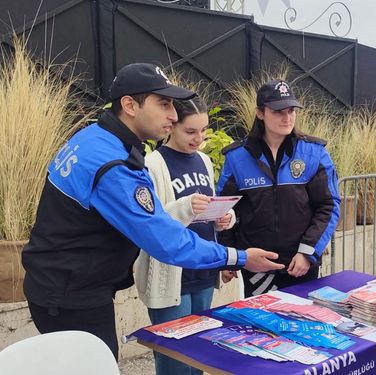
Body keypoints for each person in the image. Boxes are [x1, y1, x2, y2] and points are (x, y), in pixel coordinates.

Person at [21, 63, 284, 359]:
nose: (173, 115)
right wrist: (241, 257)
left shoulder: (96, 138)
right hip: (71, 295)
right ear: (130, 105)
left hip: (64, 284)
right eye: (163, 104)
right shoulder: (114, 166)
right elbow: (167, 240)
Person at [134, 96, 239, 375]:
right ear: (171, 126)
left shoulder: (204, 160)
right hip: (171, 278)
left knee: (199, 359)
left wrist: (224, 218)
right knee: (175, 363)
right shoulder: (152, 163)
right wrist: (184, 207)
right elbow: (147, 222)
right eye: (190, 131)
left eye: (204, 130)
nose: (199, 138)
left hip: (203, 270)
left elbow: (207, 211)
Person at [216, 79, 340, 297]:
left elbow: (328, 206)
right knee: (262, 329)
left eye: (291, 110)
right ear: (260, 113)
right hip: (257, 265)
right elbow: (223, 211)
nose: (287, 117)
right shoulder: (237, 157)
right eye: (278, 111)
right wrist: (230, 257)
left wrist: (307, 253)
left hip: (301, 264)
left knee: (303, 326)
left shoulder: (314, 152)